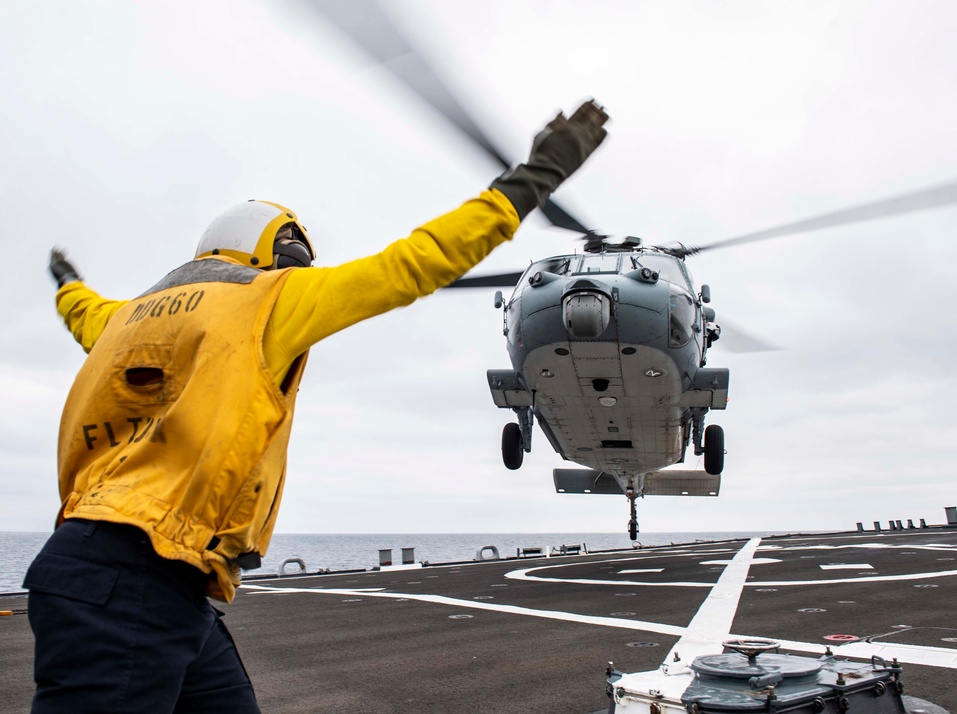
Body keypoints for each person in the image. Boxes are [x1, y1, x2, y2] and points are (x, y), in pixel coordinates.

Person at [25, 99, 609, 713]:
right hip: (132, 582)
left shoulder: (122, 319)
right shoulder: (270, 297)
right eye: (294, 255)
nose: (300, 268)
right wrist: (535, 177)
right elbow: (415, 262)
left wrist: (65, 280)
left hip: (138, 575)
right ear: (270, 252)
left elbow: (79, 312)